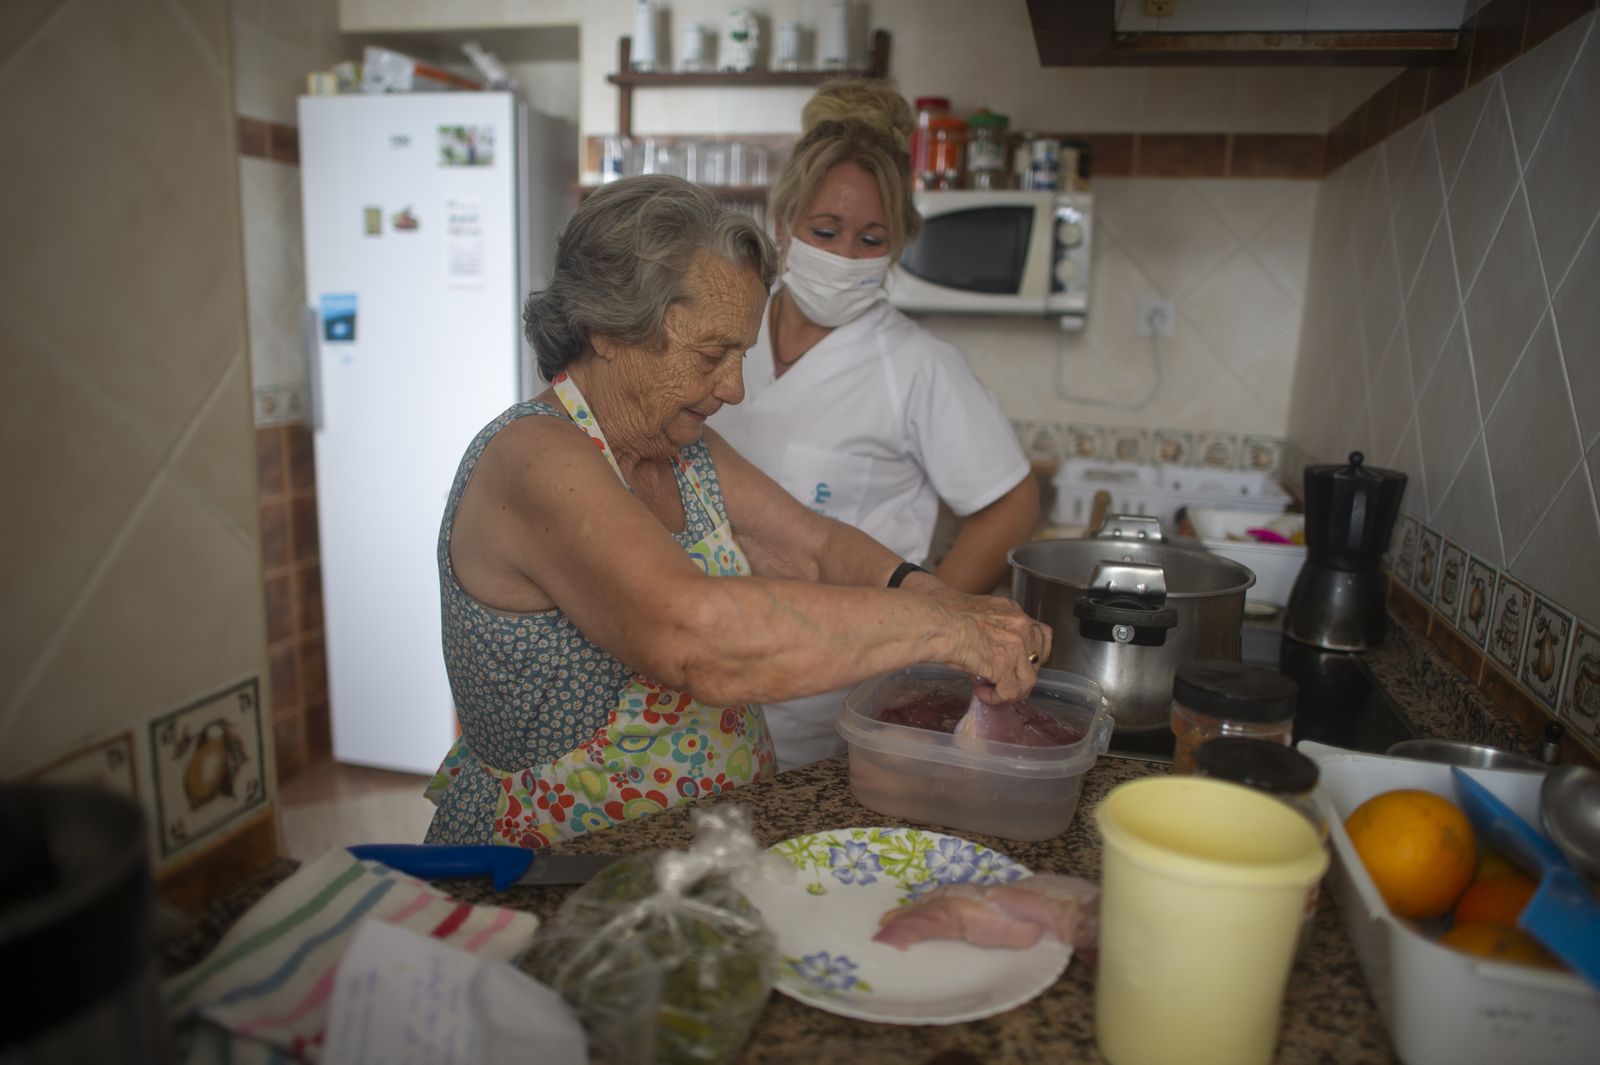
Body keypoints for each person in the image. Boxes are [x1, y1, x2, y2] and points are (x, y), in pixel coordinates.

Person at [423, 175, 1050, 847]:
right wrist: (943, 628)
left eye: (742, 352)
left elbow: (813, 548)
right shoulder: (534, 455)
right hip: (556, 871)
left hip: (692, 861)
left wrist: (935, 595)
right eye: (712, 353)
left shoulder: (681, 449)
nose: (734, 386)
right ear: (609, 328)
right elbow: (692, 635)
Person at [709, 81, 1040, 771]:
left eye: (871, 239)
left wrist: (927, 628)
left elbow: (1010, 506)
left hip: (827, 698)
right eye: (825, 232)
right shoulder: (729, 329)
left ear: (899, 246)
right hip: (703, 669)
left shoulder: (918, 365)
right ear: (782, 221)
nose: (845, 257)